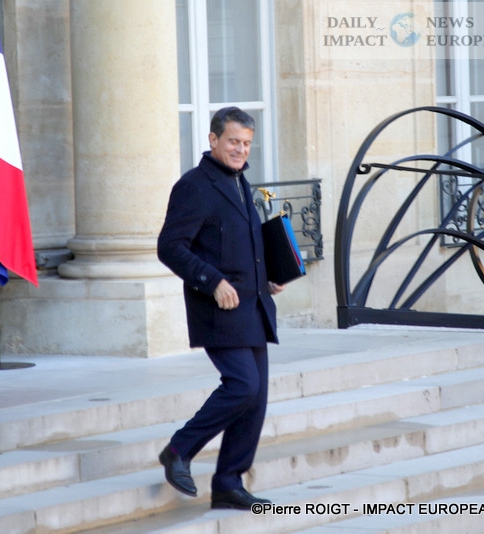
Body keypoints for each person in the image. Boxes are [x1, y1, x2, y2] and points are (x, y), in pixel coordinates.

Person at [157, 107, 285, 509]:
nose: (241, 150)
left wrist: (268, 276)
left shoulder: (240, 181)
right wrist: (211, 281)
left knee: (255, 398)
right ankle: (179, 450)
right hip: (219, 308)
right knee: (243, 385)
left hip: (253, 305)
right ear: (213, 140)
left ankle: (229, 483)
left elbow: (239, 242)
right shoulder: (193, 186)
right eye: (233, 141)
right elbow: (170, 247)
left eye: (246, 143)